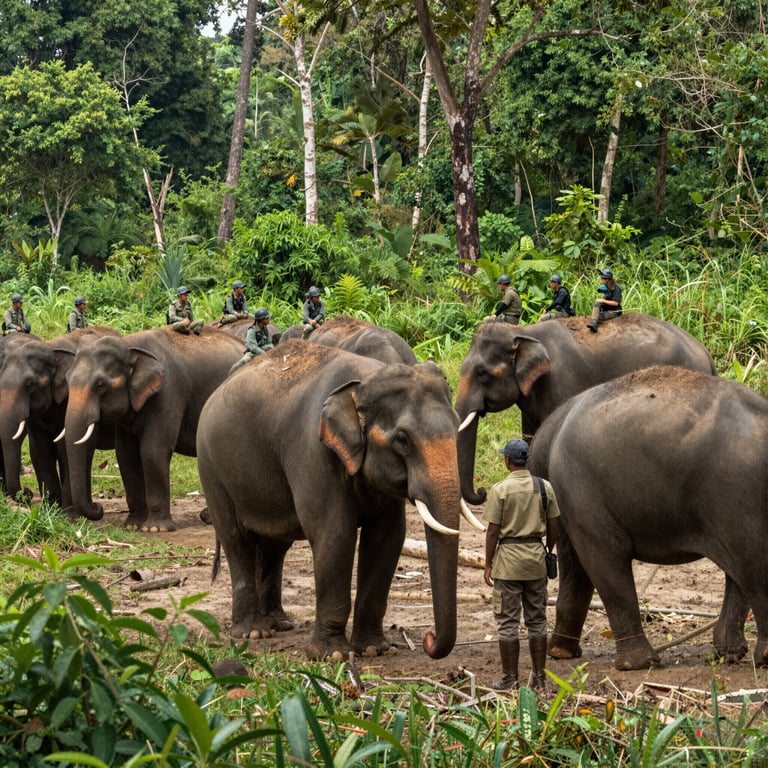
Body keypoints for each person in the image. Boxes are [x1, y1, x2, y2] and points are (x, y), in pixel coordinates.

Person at [483, 438, 560, 692]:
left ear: (507, 461)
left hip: (508, 563)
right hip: (536, 560)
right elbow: (554, 525)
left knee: (508, 622)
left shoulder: (500, 490)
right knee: (538, 620)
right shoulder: (544, 487)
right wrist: (547, 550)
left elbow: (492, 532)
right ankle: (539, 678)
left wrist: (488, 564)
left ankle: (510, 679)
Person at [228, 308, 274, 375]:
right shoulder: (251, 331)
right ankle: (234, 372)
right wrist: (265, 354)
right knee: (245, 360)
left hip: (262, 348)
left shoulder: (265, 328)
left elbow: (269, 342)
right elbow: (253, 347)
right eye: (267, 318)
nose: (268, 319)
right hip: (252, 352)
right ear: (262, 320)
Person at [587, 268, 622, 332]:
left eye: (602, 278)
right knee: (597, 304)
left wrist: (603, 301)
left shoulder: (616, 288)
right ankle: (594, 323)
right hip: (607, 310)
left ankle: (595, 324)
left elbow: (616, 303)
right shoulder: (607, 287)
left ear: (607, 279)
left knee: (598, 316)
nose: (601, 279)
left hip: (614, 312)